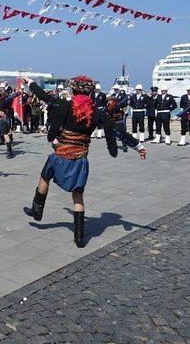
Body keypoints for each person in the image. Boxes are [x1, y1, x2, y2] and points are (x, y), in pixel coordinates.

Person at [22, 76, 146, 247]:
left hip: (60, 155)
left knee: (44, 177)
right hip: (80, 158)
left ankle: (37, 211)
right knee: (78, 195)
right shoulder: (97, 113)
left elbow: (45, 96)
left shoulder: (65, 105)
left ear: (74, 90)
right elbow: (116, 131)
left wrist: (30, 83)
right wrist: (138, 146)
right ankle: (79, 237)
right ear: (90, 93)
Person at [0, 88, 21, 158]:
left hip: (3, 120)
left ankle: (10, 151)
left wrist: (17, 93)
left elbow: (11, 97)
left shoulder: (3, 100)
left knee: (5, 134)